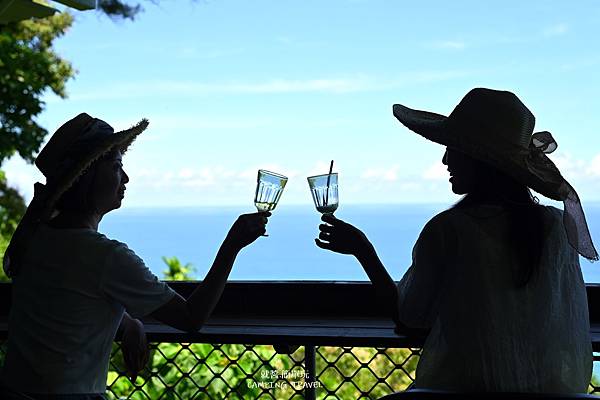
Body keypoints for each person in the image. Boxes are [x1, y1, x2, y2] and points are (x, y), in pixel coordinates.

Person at [315, 88, 598, 393]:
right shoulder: (556, 228)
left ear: (479, 159)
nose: (445, 159)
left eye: (453, 148)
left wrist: (363, 250)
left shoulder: (449, 230)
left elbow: (411, 319)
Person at [0, 114, 270, 399]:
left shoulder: (35, 238)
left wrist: (127, 320)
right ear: (88, 176)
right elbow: (191, 317)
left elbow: (70, 300)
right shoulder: (106, 256)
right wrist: (232, 245)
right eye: (117, 166)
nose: (125, 177)